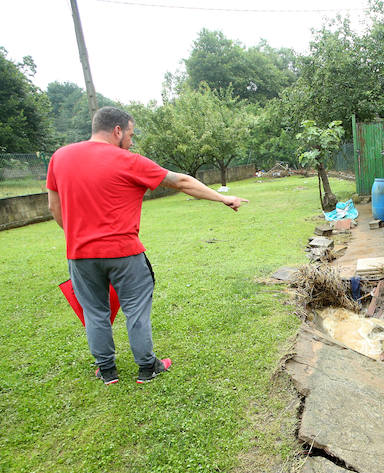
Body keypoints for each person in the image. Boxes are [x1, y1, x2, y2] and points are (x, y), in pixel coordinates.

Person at [47, 106, 248, 385]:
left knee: (95, 312)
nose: (131, 141)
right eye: (130, 134)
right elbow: (181, 181)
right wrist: (223, 198)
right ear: (117, 130)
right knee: (136, 310)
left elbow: (54, 207)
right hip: (125, 254)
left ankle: (106, 371)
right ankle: (146, 367)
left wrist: (77, 236)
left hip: (80, 254)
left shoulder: (60, 158)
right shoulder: (127, 160)